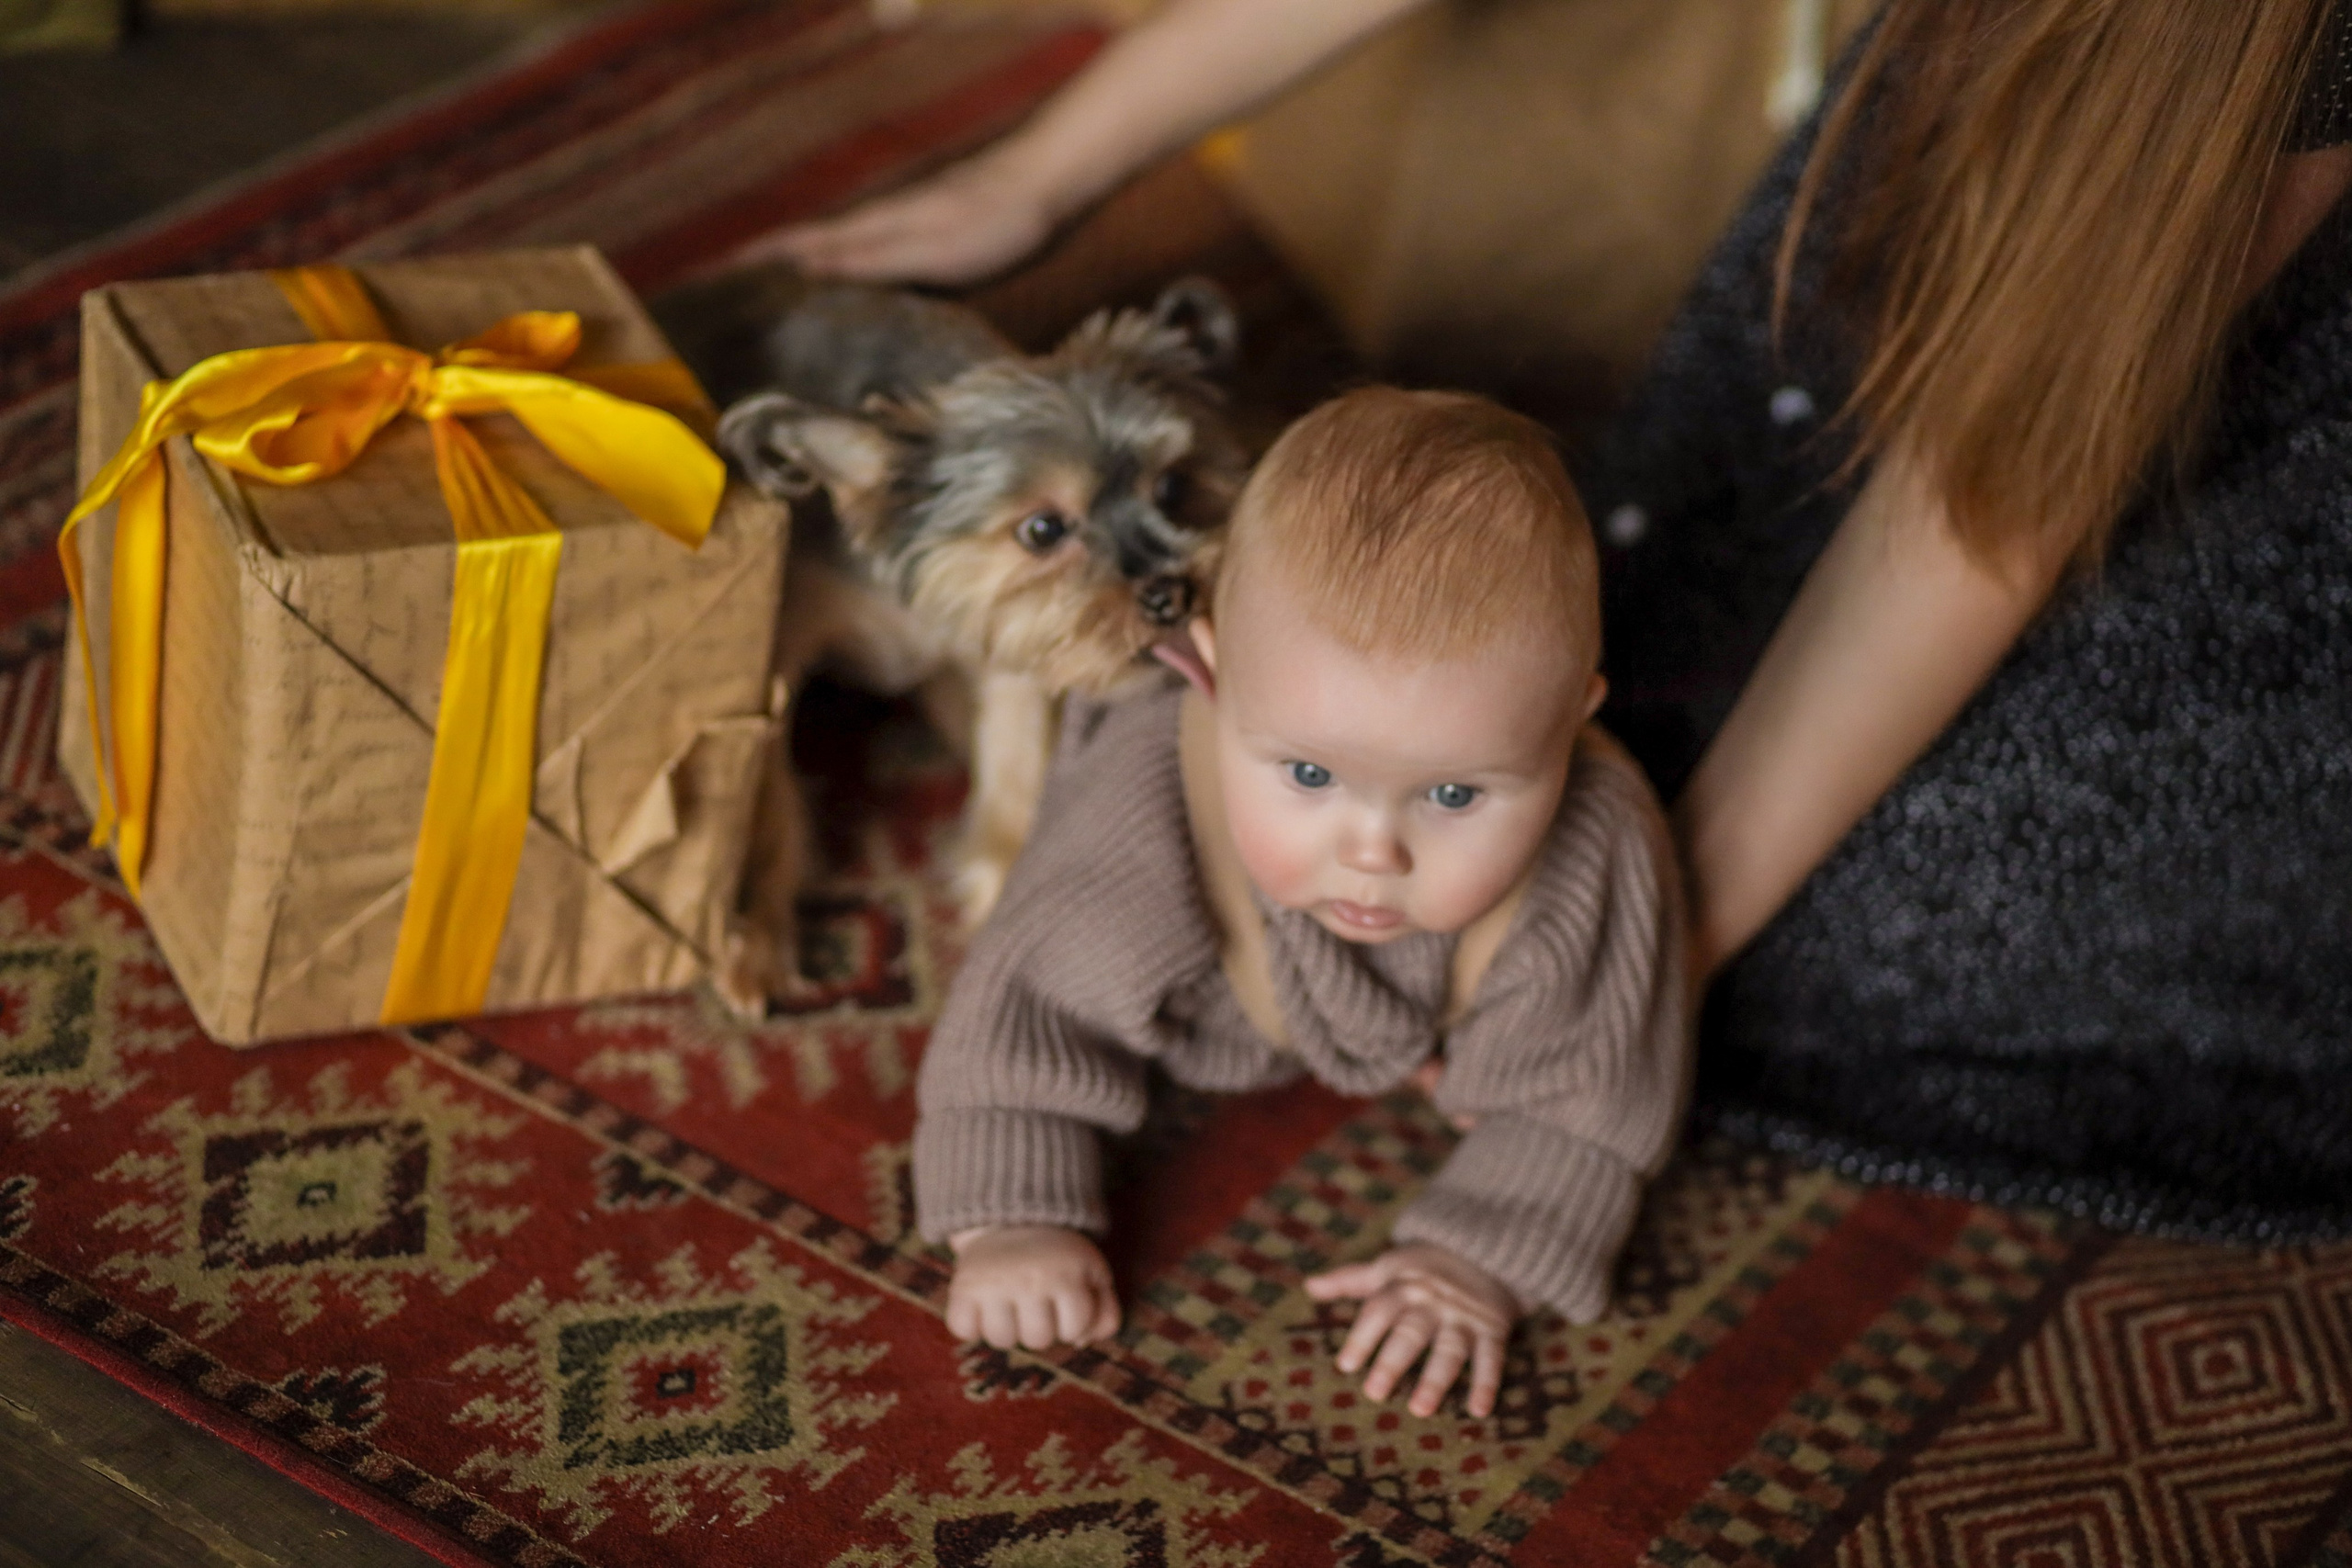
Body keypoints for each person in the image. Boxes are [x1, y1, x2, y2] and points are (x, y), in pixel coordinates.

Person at [1582, 0, 2352, 1238]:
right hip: (2037, 199)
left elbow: (2005, 489)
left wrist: (1649, 960)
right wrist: (1139, 124)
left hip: (2214, 389)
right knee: (1629, 641)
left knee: (1852, 934)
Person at [911, 388, 1688, 1417]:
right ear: (1212, 674)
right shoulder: (1145, 825)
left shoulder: (1596, 845)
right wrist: (1009, 1220)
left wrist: (1479, 1256)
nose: (1373, 851)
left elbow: (1595, 1090)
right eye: (1310, 777)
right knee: (1067, 938)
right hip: (1204, 934)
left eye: (1454, 794)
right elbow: (1023, 1009)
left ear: (1568, 722)